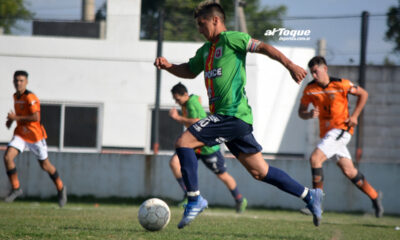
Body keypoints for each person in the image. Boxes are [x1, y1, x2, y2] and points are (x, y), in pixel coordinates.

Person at [154, 1, 322, 229]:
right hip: (231, 120)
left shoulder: (233, 39)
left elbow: (264, 47)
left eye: (202, 24)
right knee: (260, 171)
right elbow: (189, 71)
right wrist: (169, 66)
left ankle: (194, 198)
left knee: (183, 142)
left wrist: (290, 65)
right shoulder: (205, 51)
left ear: (215, 20)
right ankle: (309, 195)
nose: (199, 29)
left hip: (232, 115)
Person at [298, 56, 383, 218]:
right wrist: (308, 114)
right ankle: (375, 196)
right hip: (327, 135)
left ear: (325, 69)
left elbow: (363, 94)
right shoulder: (310, 89)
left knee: (315, 158)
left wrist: (355, 116)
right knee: (349, 171)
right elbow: (300, 112)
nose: (314, 76)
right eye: (312, 73)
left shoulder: (341, 84)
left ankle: (316, 203)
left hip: (341, 130)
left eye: (316, 72)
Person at [169, 82, 247, 213]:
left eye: (178, 99)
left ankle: (239, 199)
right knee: (174, 162)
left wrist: (178, 118)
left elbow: (197, 121)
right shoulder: (188, 103)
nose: (177, 102)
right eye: (175, 99)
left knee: (222, 175)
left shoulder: (191, 104)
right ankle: (189, 196)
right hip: (194, 145)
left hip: (207, 147)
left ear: (185, 95)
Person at [3, 70, 67, 207]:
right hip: (21, 134)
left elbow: (36, 117)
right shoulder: (16, 96)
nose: (18, 83)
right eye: (16, 80)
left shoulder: (30, 97)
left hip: (35, 136)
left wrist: (16, 118)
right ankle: (16, 188)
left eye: (21, 80)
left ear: (26, 82)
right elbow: (20, 115)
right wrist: (11, 121)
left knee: (45, 165)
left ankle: (61, 188)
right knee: (8, 157)